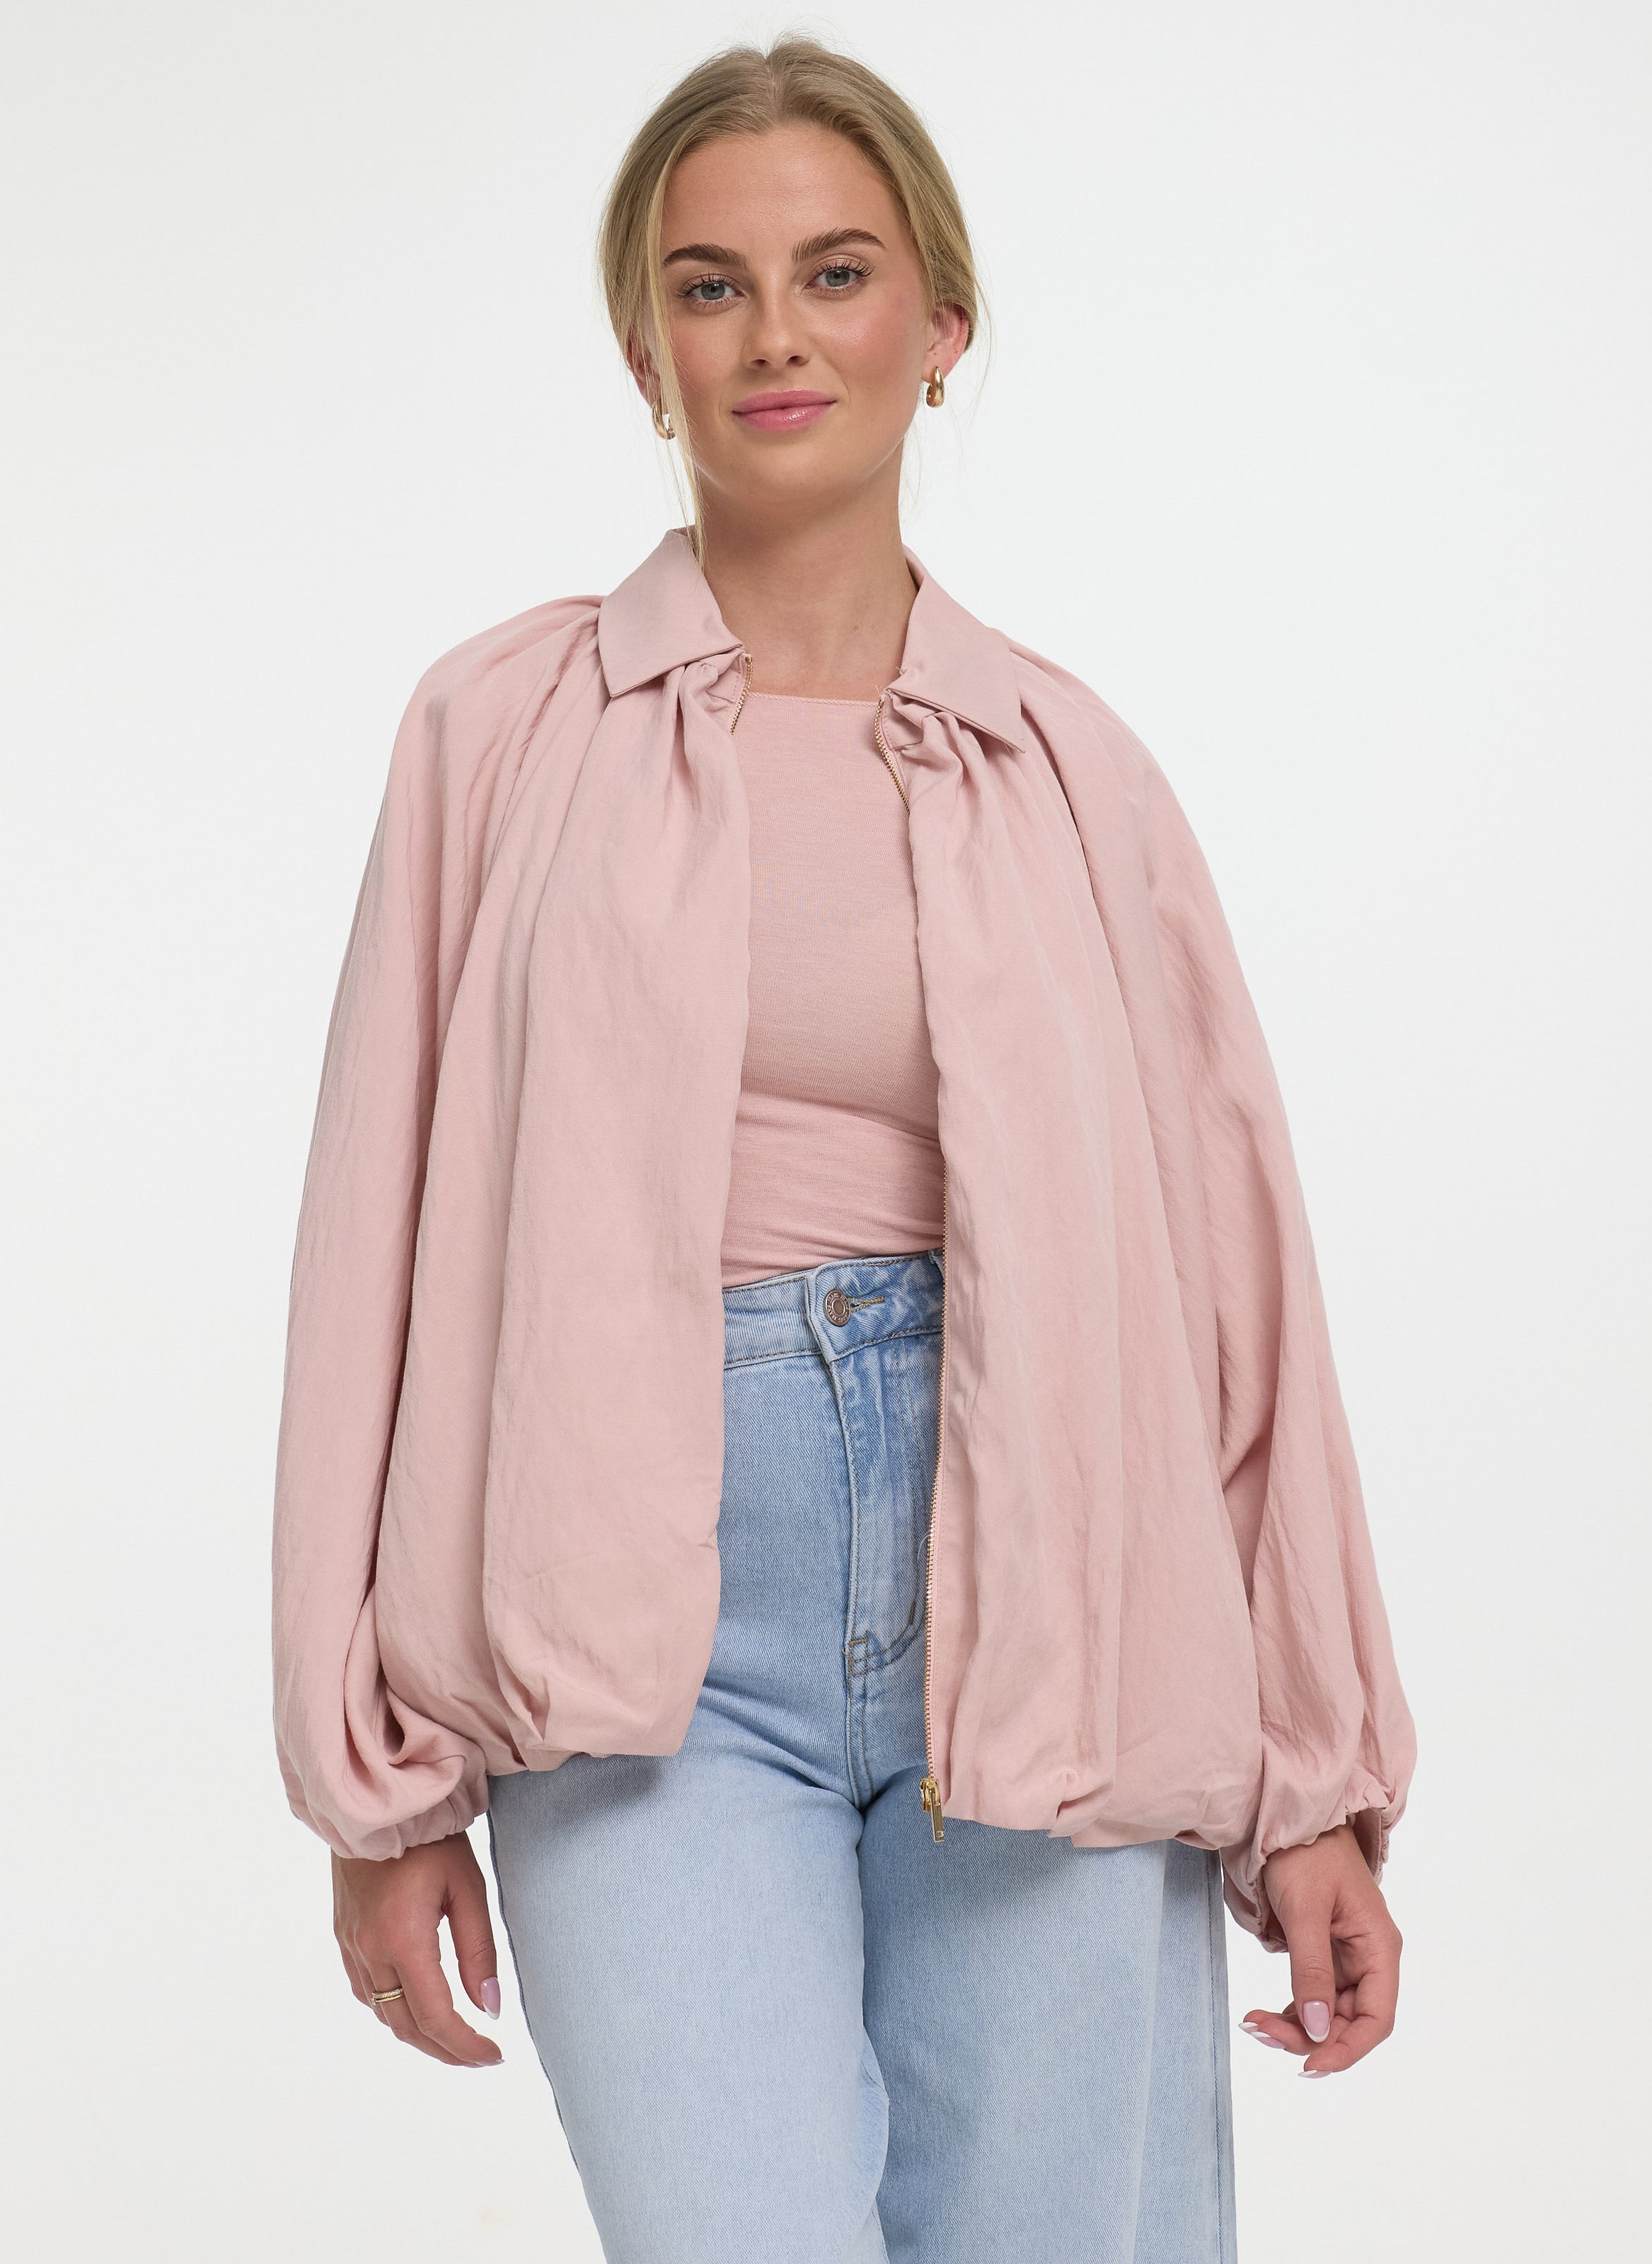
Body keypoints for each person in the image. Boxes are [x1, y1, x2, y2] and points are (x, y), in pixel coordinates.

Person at [271, 35, 1416, 2264]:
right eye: (710, 286)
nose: (775, 335)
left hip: (1060, 1592)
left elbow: (1235, 1293)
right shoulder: (501, 736)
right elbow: (367, 1262)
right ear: (646, 352)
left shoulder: (1070, 771)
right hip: (637, 1633)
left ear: (942, 326)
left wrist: (1311, 1782)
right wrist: (374, 1791)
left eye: (835, 273)